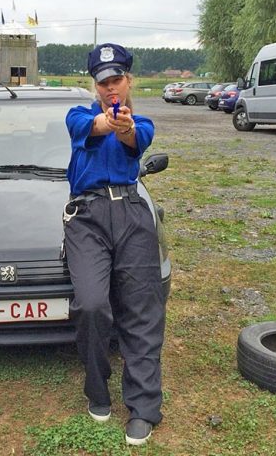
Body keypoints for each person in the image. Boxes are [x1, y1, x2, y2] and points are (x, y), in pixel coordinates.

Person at [62, 43, 168, 446]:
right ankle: (97, 387)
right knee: (91, 304)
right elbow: (91, 128)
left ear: (128, 81)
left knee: (142, 310)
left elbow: (134, 138)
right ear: (95, 85)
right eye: (103, 82)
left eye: (117, 80)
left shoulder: (142, 123)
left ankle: (143, 407)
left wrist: (123, 126)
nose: (111, 88)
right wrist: (108, 122)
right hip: (87, 217)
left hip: (131, 213)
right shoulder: (78, 115)